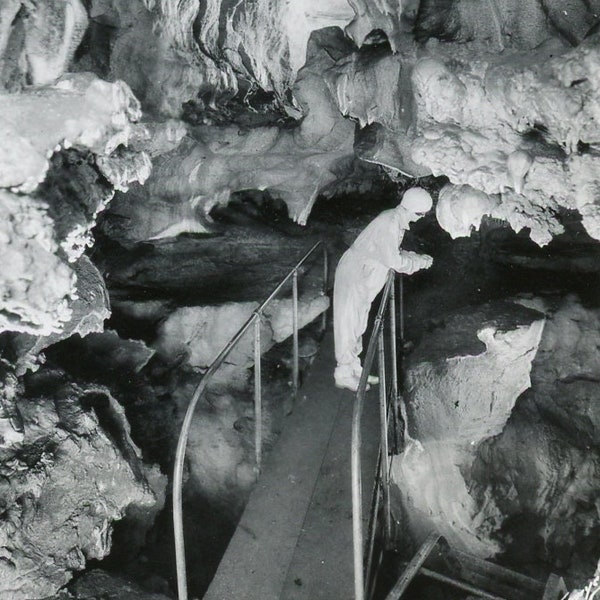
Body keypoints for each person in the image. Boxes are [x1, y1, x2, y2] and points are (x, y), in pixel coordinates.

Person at [333, 187, 434, 392]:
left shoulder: (394, 220)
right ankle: (343, 373)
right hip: (356, 274)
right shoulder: (390, 223)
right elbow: (394, 260)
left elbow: (391, 251)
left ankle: (354, 368)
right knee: (348, 323)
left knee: (358, 323)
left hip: (363, 275)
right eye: (421, 214)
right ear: (414, 210)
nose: (420, 219)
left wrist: (417, 256)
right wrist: (419, 264)